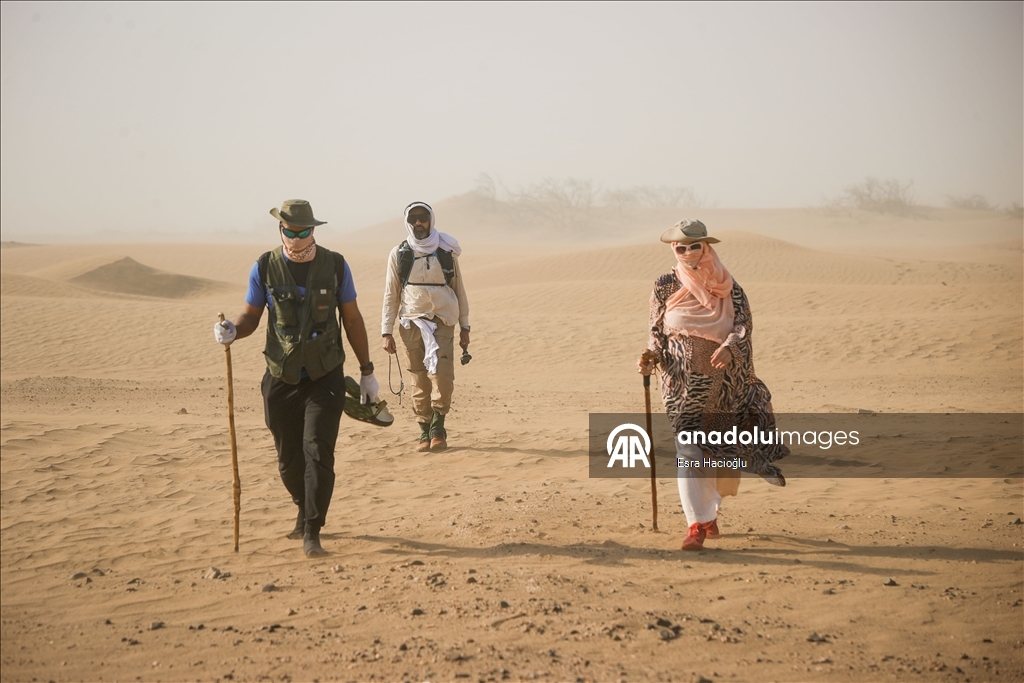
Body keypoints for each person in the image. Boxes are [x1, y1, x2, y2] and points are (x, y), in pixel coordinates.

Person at [214, 199, 379, 558]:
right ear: (281, 230)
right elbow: (251, 316)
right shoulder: (265, 267)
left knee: (318, 450)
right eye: (291, 231)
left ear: (314, 232)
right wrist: (231, 331)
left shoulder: (334, 265)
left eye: (304, 231)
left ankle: (312, 531)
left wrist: (367, 373)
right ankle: (303, 507)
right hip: (281, 376)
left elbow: (351, 318)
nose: (297, 237)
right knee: (289, 460)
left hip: (325, 375)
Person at [639, 219, 788, 551]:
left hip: (724, 383)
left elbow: (744, 325)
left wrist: (729, 347)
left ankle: (708, 514)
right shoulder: (664, 284)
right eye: (681, 247)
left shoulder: (730, 286)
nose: (688, 252)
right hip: (679, 380)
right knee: (688, 448)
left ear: (706, 247)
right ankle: (696, 525)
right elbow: (656, 330)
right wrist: (651, 356)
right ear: (673, 250)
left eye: (695, 246)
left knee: (716, 451)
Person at [381, 202, 470, 452]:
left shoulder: (446, 251)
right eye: (413, 219)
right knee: (418, 376)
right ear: (407, 222)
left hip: (443, 319)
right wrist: (386, 331)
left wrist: (466, 326)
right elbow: (391, 294)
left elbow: (459, 290)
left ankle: (438, 427)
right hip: (411, 322)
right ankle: (424, 429)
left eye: (423, 218)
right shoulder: (399, 253)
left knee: (442, 375)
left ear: (431, 220)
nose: (418, 223)